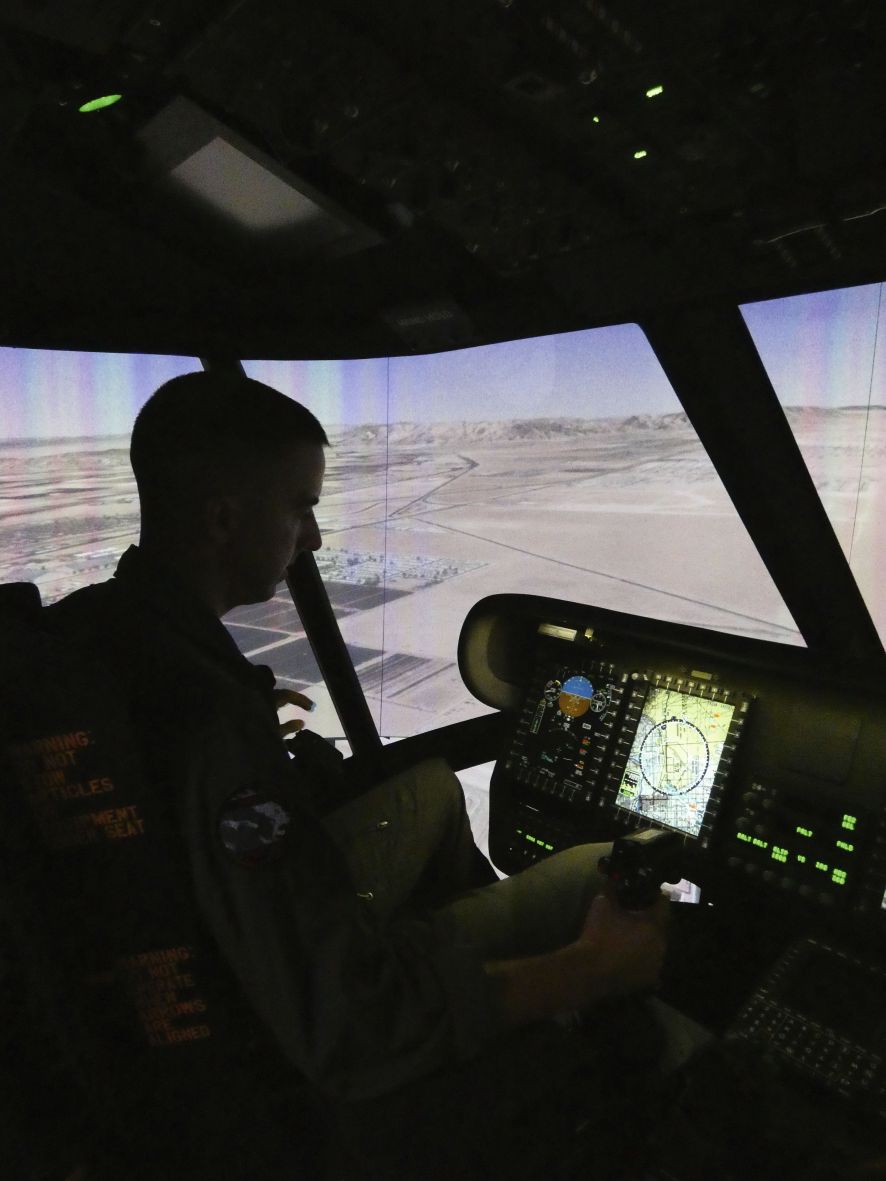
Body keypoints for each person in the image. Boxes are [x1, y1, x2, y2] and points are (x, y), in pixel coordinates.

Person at [45, 371, 669, 1177]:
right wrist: (589, 968)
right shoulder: (209, 723)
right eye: (300, 505)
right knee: (597, 873)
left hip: (168, 1001)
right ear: (222, 518)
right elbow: (349, 1028)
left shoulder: (98, 630)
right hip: (287, 1072)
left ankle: (455, 960)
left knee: (435, 786)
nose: (311, 535)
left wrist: (271, 756)